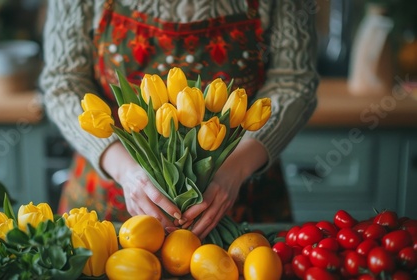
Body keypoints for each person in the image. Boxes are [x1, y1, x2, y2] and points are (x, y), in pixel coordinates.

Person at [40, 0, 319, 239]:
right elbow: (63, 82)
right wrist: (125, 171)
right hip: (109, 201)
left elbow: (294, 83)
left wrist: (234, 170)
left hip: (241, 198)